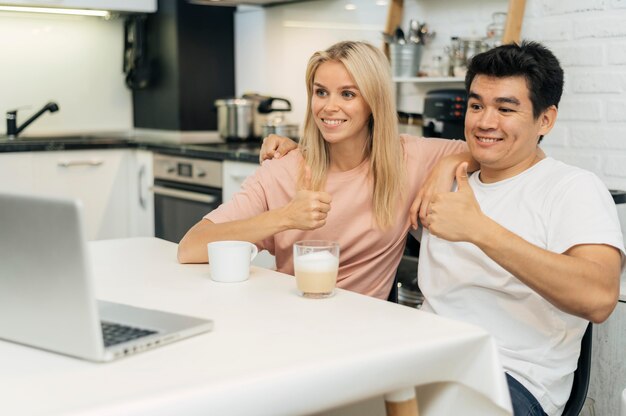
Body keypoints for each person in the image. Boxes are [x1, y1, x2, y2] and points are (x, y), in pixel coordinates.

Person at [260, 41, 625, 416]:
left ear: (545, 120)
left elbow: (598, 298)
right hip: (422, 360)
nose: (485, 121)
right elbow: (358, 159)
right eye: (477, 105)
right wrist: (298, 149)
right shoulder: (445, 180)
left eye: (506, 108)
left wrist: (479, 229)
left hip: (508, 379)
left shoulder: (572, 187)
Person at [177, 40, 468, 301]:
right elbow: (190, 247)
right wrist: (284, 217)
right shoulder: (282, 170)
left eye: (348, 94)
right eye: (321, 92)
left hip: (367, 331)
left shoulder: (408, 158)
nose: (329, 107)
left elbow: (488, 148)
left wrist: (447, 164)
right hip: (292, 322)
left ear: (373, 101)